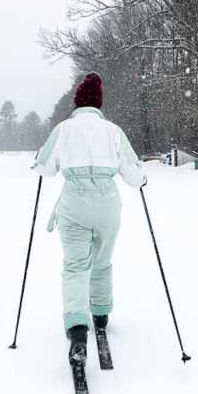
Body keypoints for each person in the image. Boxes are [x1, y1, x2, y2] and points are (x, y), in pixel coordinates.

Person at [32, 72, 145, 365]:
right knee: (102, 261)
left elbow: (44, 168)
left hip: (74, 206)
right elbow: (133, 174)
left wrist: (41, 161)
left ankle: (77, 326)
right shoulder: (113, 131)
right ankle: (101, 312)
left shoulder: (64, 130)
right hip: (108, 205)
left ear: (77, 102)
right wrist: (141, 177)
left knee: (75, 266)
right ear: (99, 104)